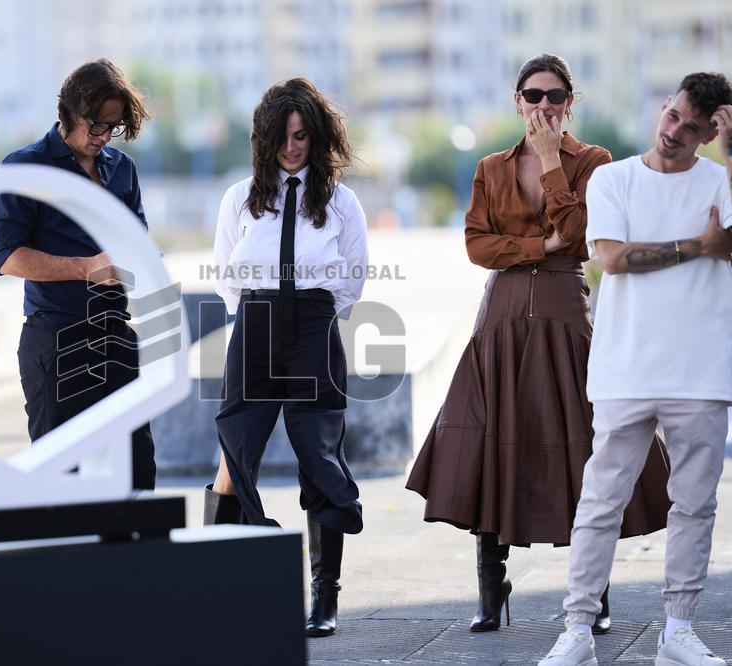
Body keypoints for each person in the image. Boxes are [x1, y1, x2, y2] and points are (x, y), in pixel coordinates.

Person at [405, 54, 671, 634]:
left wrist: (553, 165)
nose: (544, 107)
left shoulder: (595, 162)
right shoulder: (489, 168)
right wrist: (537, 247)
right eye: (534, 95)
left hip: (564, 316)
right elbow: (478, 245)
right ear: (517, 100)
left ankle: (593, 590)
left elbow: (578, 236)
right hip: (499, 320)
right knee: (490, 445)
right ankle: (489, 586)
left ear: (570, 103)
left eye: (555, 97)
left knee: (582, 450)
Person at [540, 72, 732, 666]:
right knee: (600, 500)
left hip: (701, 369)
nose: (674, 131)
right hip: (626, 367)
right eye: (672, 115)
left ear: (709, 133)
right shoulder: (613, 178)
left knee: (695, 504)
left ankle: (677, 631)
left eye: (692, 127)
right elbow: (614, 260)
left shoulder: (722, 181)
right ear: (664, 106)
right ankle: (576, 630)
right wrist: (699, 246)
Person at [208, 78, 368, 638]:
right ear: (264, 137)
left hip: (314, 329)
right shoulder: (240, 197)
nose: (293, 146)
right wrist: (258, 315)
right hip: (254, 327)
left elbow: (353, 275)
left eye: (303, 135)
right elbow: (227, 270)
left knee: (319, 457)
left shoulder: (342, 202)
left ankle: (324, 597)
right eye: (283, 135)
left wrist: (314, 317)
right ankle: (228, 586)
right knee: (235, 451)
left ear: (317, 136)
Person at [0, 59, 156, 490]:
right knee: (59, 485)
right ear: (70, 114)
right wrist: (86, 269)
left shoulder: (122, 169)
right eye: (97, 126)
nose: (103, 138)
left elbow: (138, 242)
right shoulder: (25, 166)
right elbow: (6, 257)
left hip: (116, 336)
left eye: (113, 128)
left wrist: (138, 261)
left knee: (137, 478)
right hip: (56, 341)